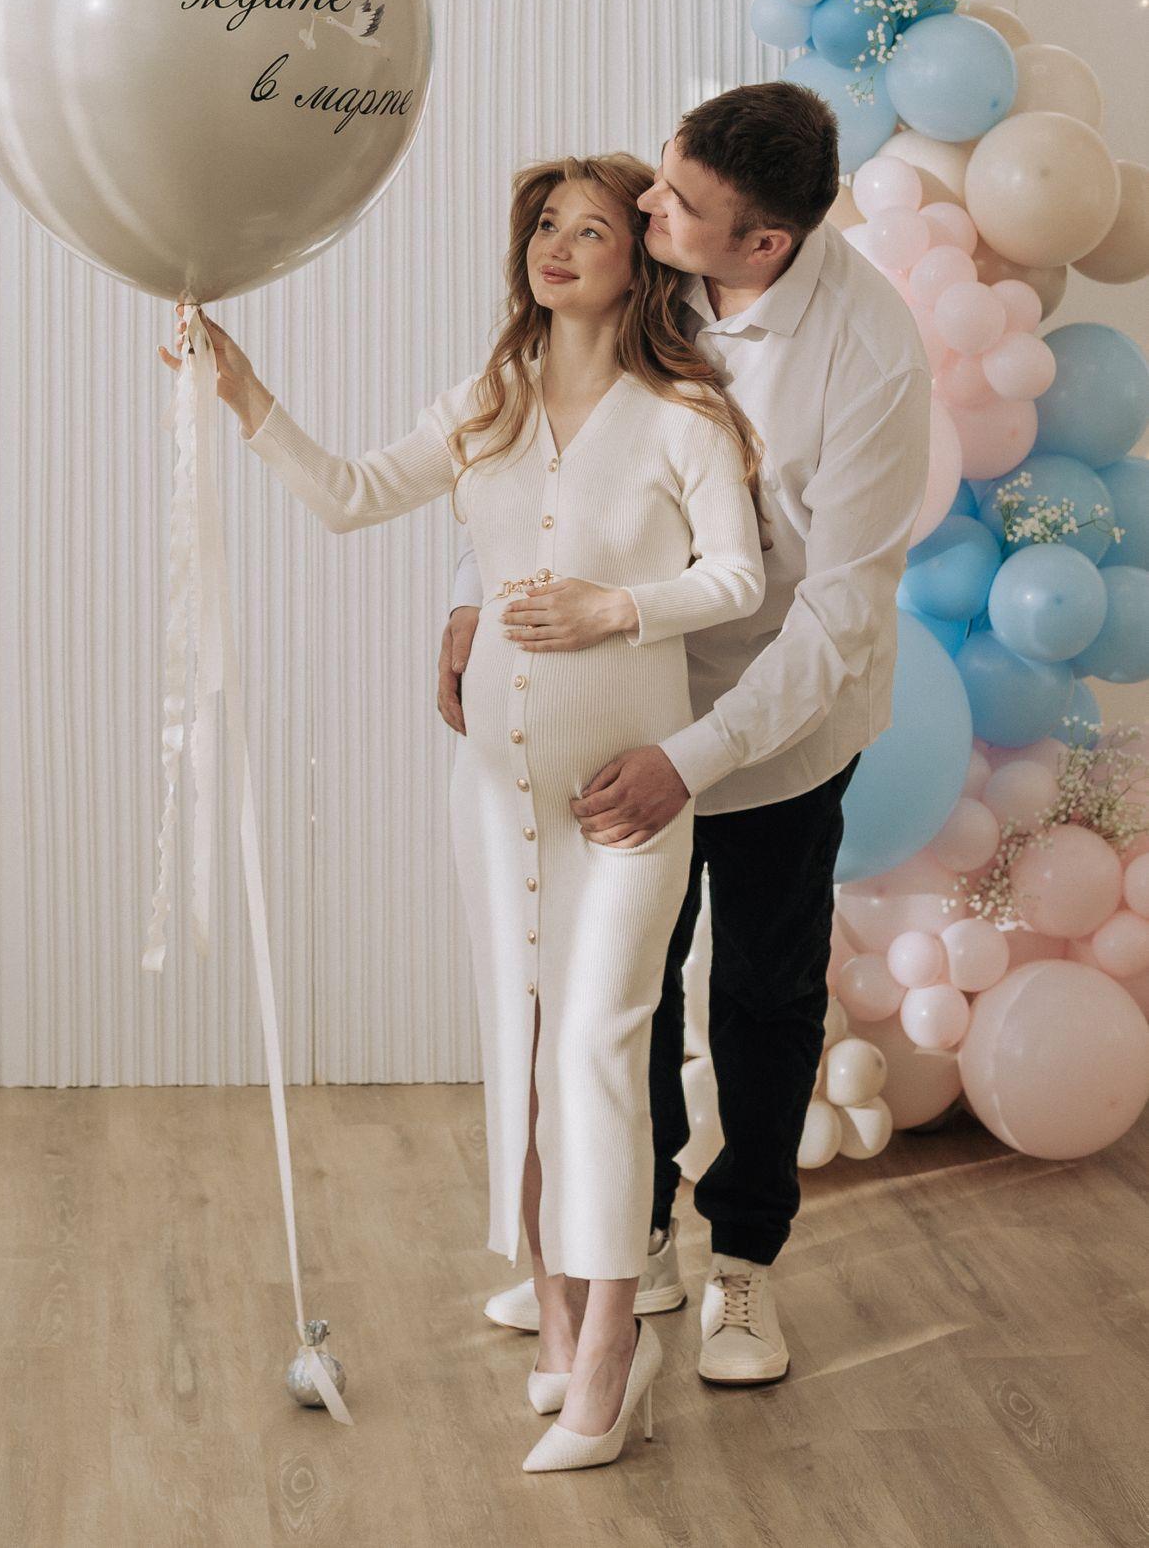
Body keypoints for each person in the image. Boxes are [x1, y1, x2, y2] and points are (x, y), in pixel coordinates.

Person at [161, 152, 765, 1474]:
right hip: (493, 793)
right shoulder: (490, 401)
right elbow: (347, 496)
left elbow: (738, 578)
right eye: (545, 225)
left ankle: (613, 1348)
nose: (559, 246)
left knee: (597, 1049)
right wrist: (242, 390)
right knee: (521, 1046)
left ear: (639, 261)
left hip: (625, 801)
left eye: (591, 229)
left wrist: (617, 608)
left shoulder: (686, 418)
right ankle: (558, 1313)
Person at [442, 82, 932, 1388]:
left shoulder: (870, 359)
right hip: (619, 692)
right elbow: (539, 443)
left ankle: (746, 1264)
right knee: (621, 987)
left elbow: (833, 622)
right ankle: (633, 1238)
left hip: (782, 719)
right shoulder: (652, 264)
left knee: (762, 994)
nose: (646, 203)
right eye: (660, 175)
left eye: (678, 199)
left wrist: (694, 761)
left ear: (762, 243)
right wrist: (476, 598)